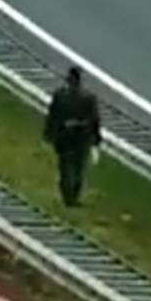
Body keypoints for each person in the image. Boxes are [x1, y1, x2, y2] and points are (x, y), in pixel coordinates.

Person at [43, 66, 102, 207]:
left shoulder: (60, 96)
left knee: (66, 167)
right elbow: (94, 119)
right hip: (81, 137)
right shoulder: (88, 98)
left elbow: (52, 117)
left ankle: (68, 196)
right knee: (78, 168)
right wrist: (96, 138)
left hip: (65, 136)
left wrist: (49, 134)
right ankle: (73, 196)